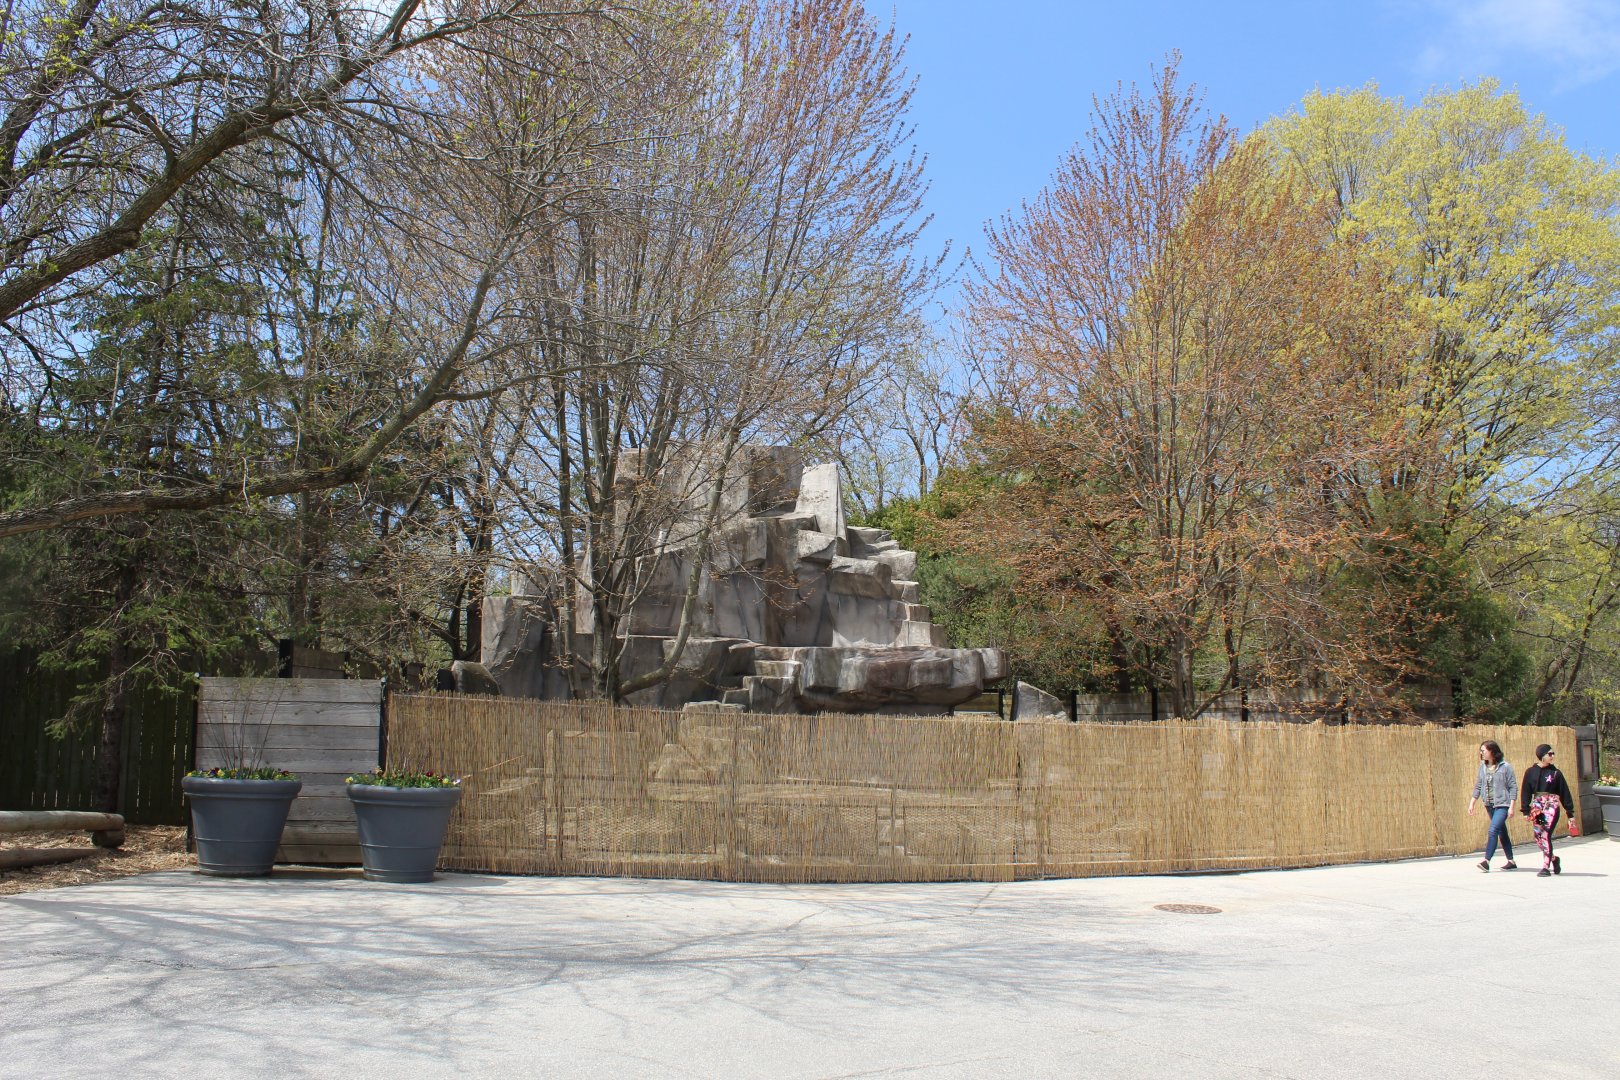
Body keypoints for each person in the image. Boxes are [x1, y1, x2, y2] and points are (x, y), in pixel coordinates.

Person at [1520, 744, 1575, 877]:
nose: (1552, 756)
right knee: (1538, 836)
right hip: (1538, 807)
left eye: (1553, 753)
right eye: (1549, 754)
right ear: (1542, 756)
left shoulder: (1556, 773)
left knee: (1545, 834)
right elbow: (1526, 791)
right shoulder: (1531, 772)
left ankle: (1545, 867)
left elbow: (1565, 793)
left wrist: (1570, 813)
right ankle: (1554, 859)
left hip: (1551, 806)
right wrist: (1526, 810)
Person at [1467, 740, 1518, 871]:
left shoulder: (1505, 767)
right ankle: (1511, 861)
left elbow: (1513, 787)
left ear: (1492, 751)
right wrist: (1472, 802)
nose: (1481, 753)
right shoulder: (1483, 767)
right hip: (1489, 804)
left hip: (1503, 804)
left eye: (1483, 750)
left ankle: (1486, 861)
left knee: (1493, 830)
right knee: (1502, 832)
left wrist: (1512, 806)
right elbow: (1478, 785)